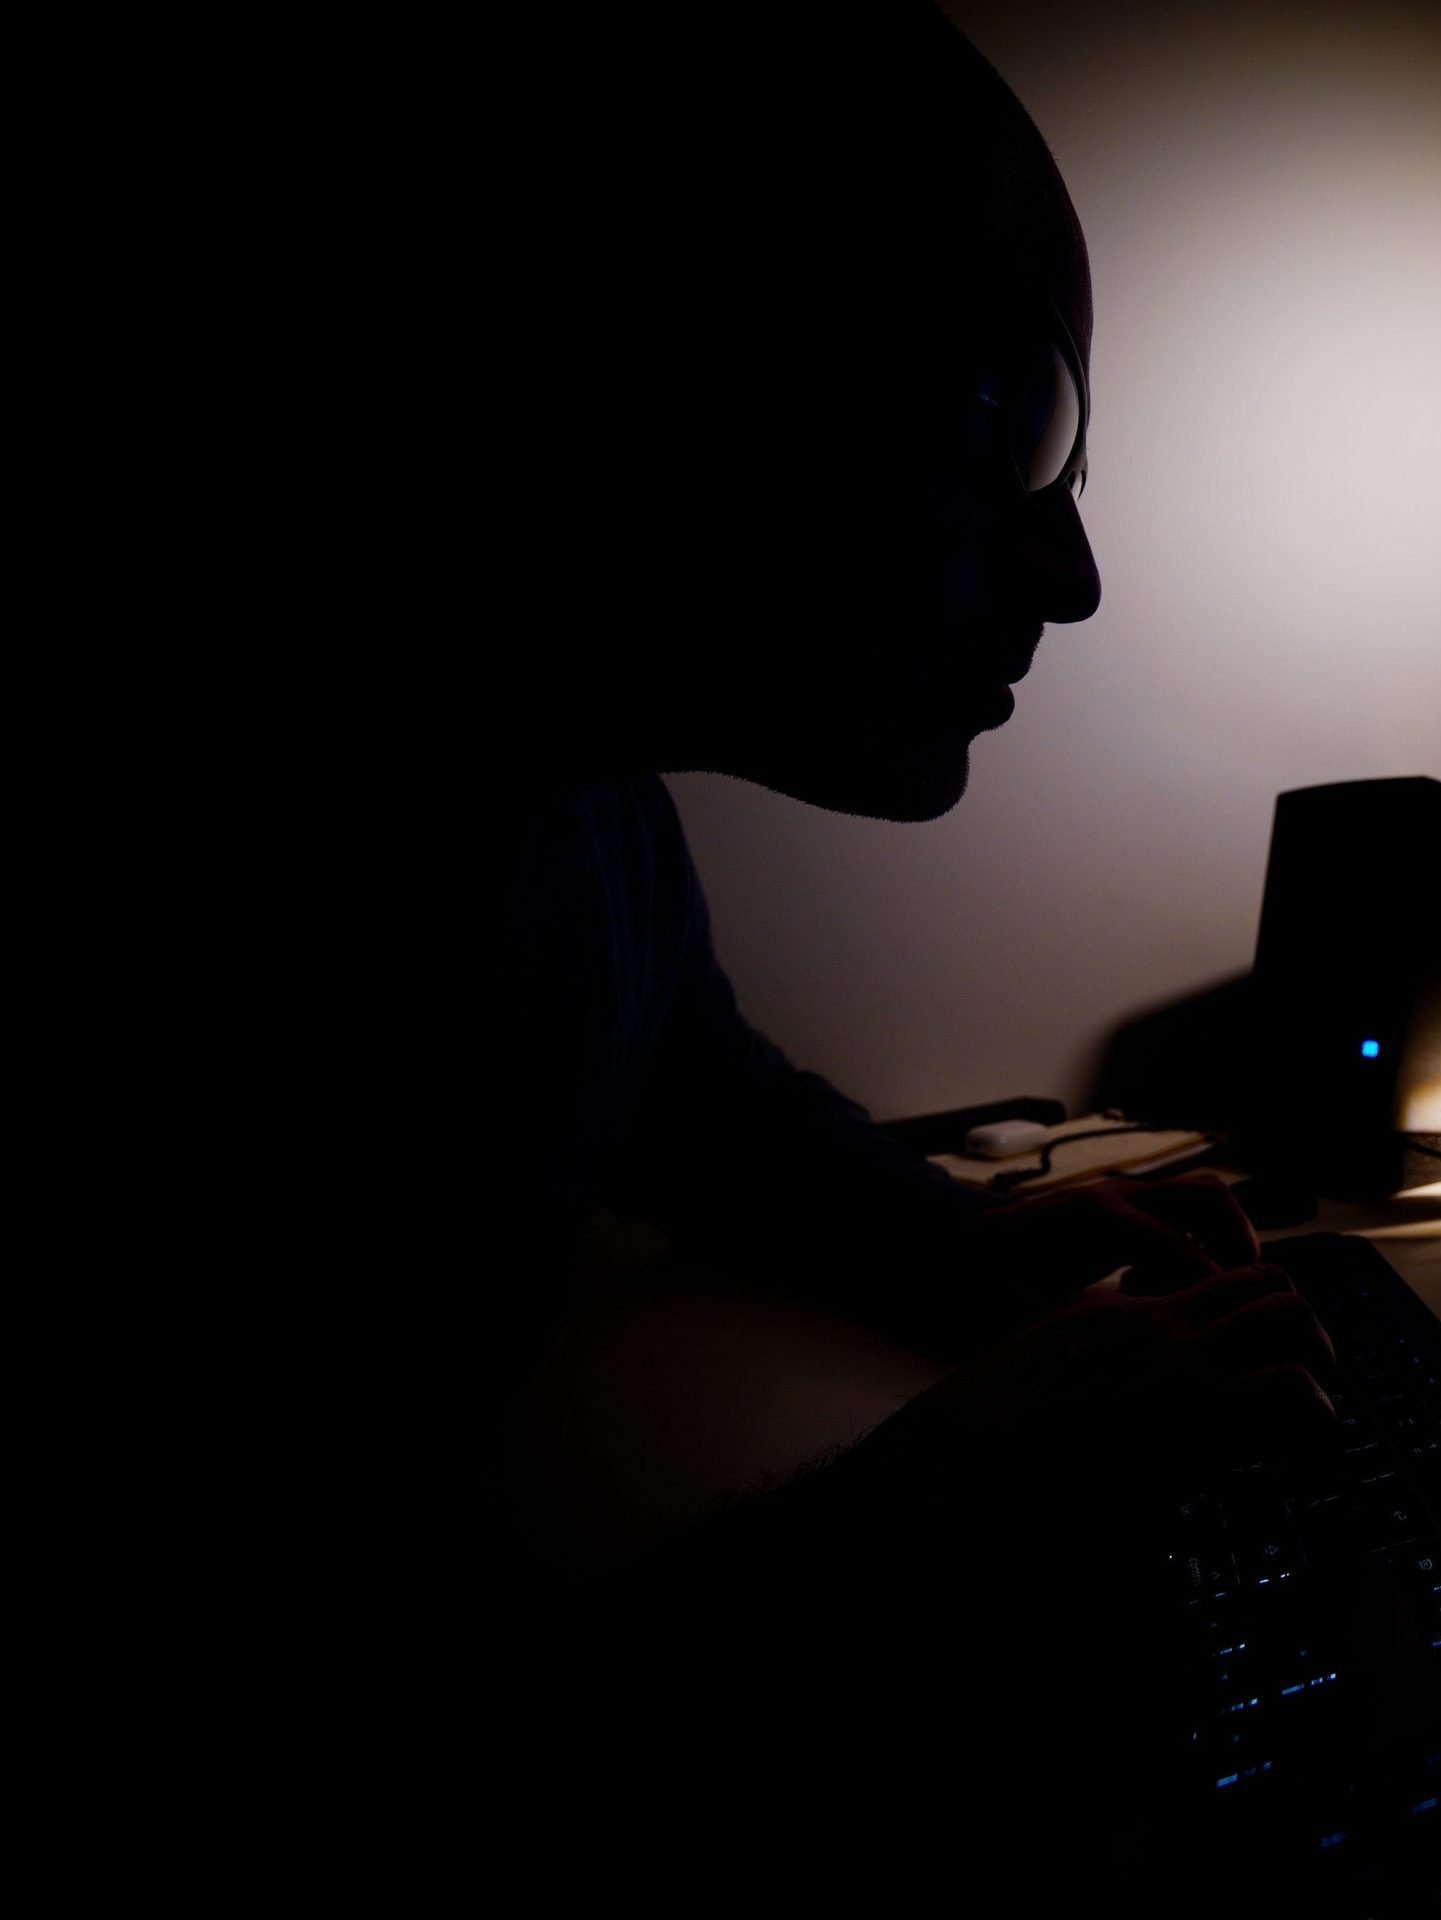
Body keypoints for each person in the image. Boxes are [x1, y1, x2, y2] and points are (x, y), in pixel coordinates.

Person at [271, 9, 1334, 1893]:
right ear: (677, 336)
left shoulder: (575, 811)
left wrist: (971, 1253)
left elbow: (707, 1104)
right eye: (1026, 420)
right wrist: (914, 1509)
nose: (1074, 575)